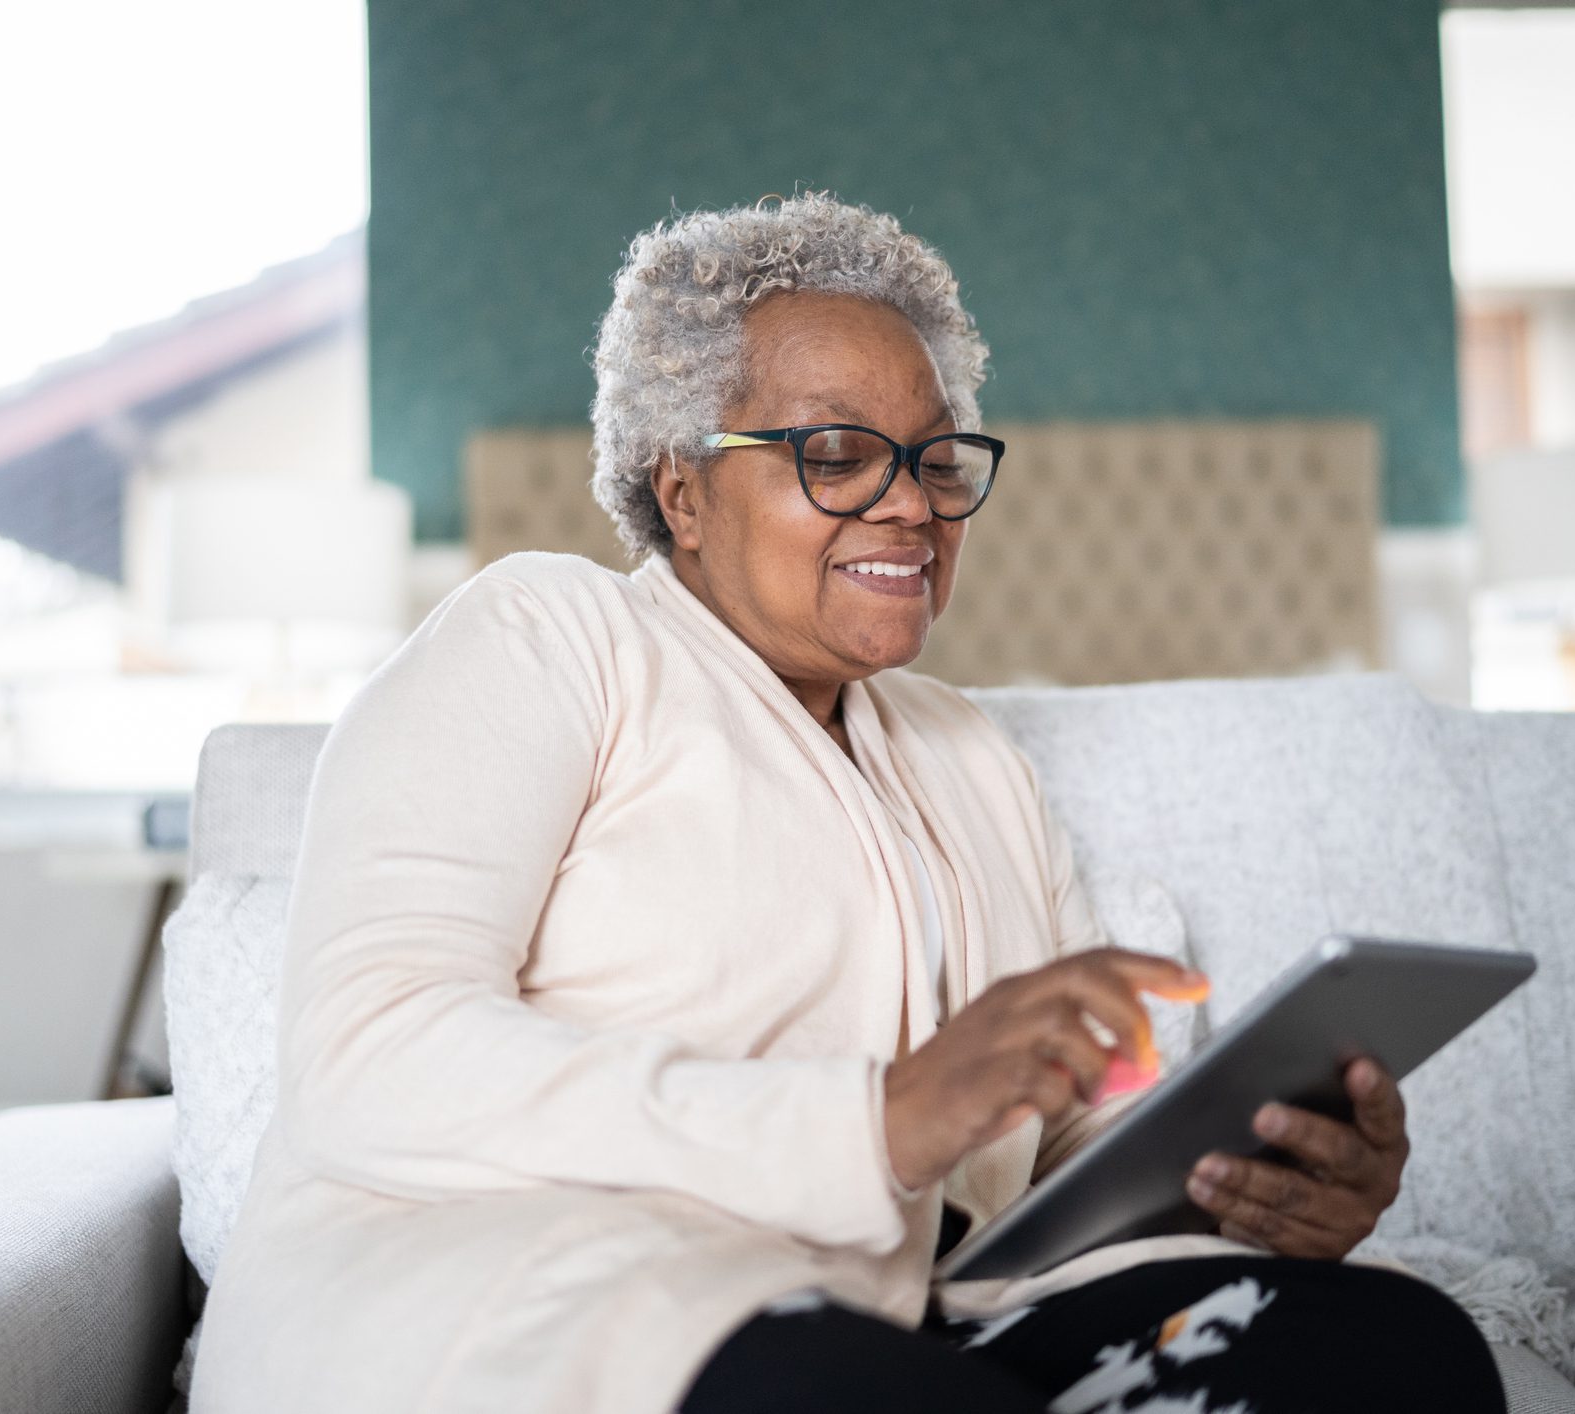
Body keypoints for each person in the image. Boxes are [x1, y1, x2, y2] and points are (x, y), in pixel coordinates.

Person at [189, 193, 1506, 1414]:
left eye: (937, 459)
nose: (909, 503)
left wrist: (1248, 1197)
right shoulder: (547, 636)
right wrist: (875, 1115)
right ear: (681, 489)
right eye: (833, 452)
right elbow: (372, 1055)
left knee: (1401, 1354)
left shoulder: (969, 755)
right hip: (556, 1305)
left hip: (923, 1312)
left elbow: (1066, 1153)